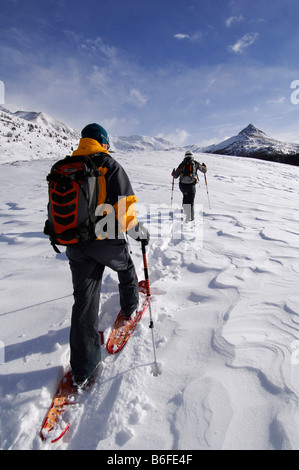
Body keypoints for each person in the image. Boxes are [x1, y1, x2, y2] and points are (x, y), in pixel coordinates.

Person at [66, 123, 149, 387]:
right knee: (125, 268)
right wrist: (137, 232)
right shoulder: (108, 165)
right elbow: (124, 209)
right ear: (103, 143)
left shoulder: (65, 167)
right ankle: (129, 308)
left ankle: (83, 368)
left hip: (74, 244)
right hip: (105, 238)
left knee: (84, 301)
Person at [172, 150, 207, 222]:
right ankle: (190, 218)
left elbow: (175, 176)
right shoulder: (195, 163)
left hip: (182, 185)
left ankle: (185, 212)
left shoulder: (182, 164)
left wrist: (173, 173)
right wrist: (204, 167)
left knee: (185, 197)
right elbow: (204, 170)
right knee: (191, 201)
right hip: (191, 185)